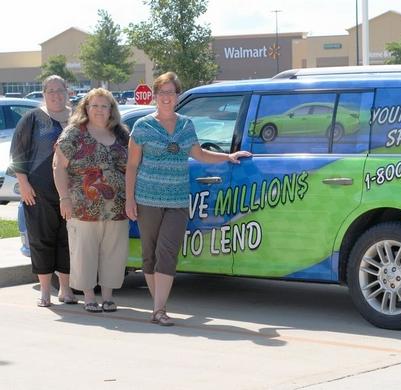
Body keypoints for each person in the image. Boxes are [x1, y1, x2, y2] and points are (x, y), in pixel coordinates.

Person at [125, 72, 251, 326]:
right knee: (149, 255)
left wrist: (228, 157)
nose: (166, 98)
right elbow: (132, 165)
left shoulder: (186, 125)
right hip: (147, 198)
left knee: (167, 251)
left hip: (178, 201)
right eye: (162, 93)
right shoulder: (142, 127)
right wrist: (129, 199)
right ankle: (158, 306)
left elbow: (199, 154)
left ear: (177, 95)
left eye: (171, 93)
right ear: (154, 96)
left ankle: (159, 309)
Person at [52, 88, 130, 313]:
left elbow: (132, 167)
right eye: (94, 105)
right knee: (84, 252)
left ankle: (107, 298)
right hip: (82, 207)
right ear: (86, 108)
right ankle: (88, 297)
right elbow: (58, 167)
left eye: (104, 106)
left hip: (117, 208)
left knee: (113, 253)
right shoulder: (74, 133)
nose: (99, 110)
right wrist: (64, 198)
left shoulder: (122, 134)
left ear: (111, 110)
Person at [9, 75, 76, 307]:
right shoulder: (33, 119)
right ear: (44, 93)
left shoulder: (77, 118)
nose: (56, 95)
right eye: (51, 91)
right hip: (38, 192)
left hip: (72, 191)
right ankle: (45, 291)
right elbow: (17, 153)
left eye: (60, 90)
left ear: (67, 91)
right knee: (41, 239)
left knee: (67, 240)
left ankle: (65, 290)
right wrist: (24, 183)